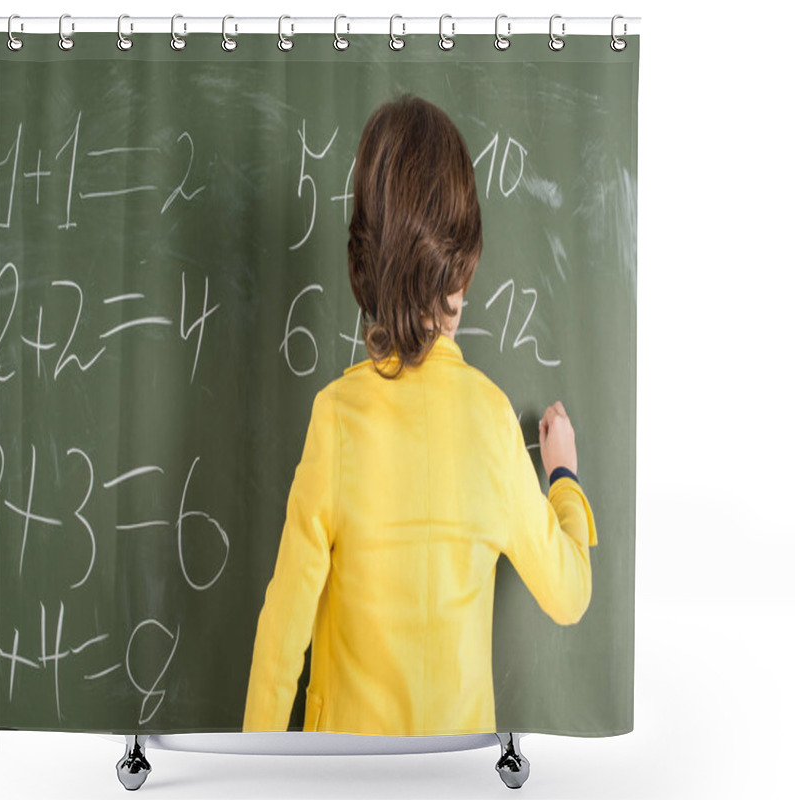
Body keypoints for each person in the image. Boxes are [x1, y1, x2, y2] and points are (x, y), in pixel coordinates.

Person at [243, 93, 598, 737]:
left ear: (363, 266)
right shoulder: (492, 422)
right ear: (462, 269)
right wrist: (564, 479)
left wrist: (251, 770)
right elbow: (570, 593)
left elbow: (282, 634)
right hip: (453, 777)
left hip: (344, 777)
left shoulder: (336, 418)